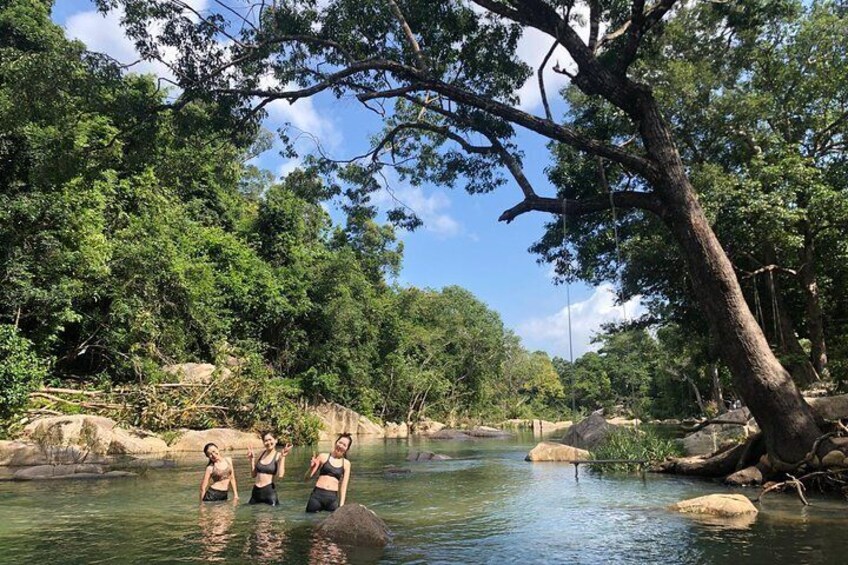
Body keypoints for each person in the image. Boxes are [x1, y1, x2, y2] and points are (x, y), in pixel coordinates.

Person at [305, 433, 352, 512]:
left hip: (332, 499)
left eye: (344, 445)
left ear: (347, 449)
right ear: (336, 442)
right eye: (340, 442)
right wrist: (312, 467)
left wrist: (341, 506)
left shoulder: (346, 464)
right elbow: (306, 478)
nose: (340, 446)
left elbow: (344, 486)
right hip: (317, 496)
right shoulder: (323, 456)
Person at [247, 431, 292, 506]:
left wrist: (283, 457)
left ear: (276, 440)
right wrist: (252, 460)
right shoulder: (261, 454)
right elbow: (253, 475)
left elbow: (280, 475)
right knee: (253, 515)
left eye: (270, 439)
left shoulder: (278, 456)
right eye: (266, 440)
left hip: (268, 492)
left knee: (271, 516)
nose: (268, 442)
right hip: (256, 491)